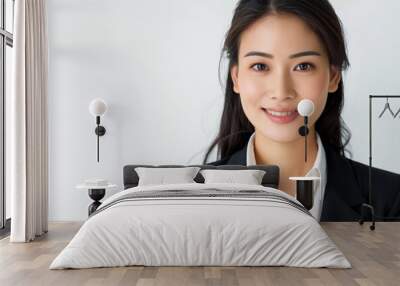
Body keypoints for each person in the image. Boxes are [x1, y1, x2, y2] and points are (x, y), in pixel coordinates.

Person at [203, 0, 400, 221]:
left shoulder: (392, 200)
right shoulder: (191, 197)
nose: (281, 91)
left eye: (303, 66)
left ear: (334, 76)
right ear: (236, 77)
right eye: (260, 66)